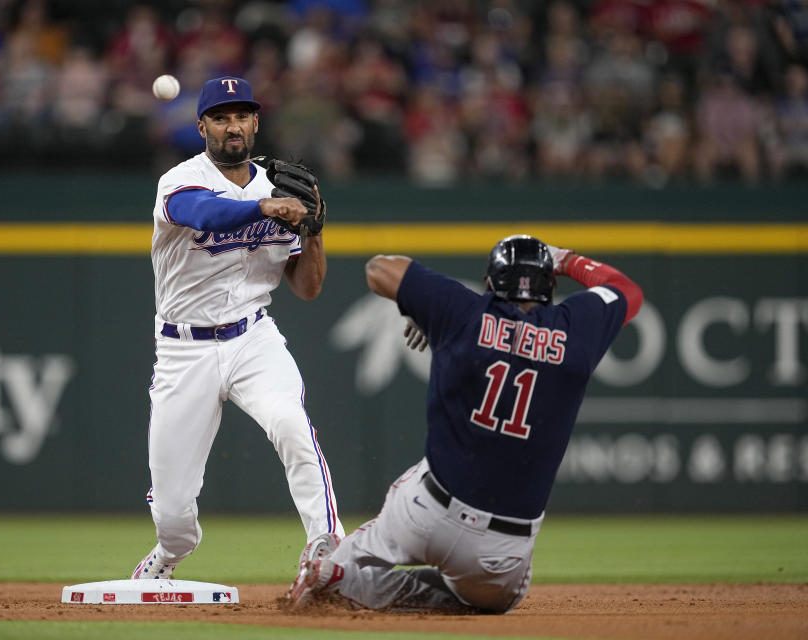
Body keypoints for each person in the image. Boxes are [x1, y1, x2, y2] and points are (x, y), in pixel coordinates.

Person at [289, 235, 643, 612]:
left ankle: (337, 568)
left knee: (411, 488)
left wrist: (416, 308)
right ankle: (356, 584)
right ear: (550, 286)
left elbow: (379, 268)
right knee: (490, 602)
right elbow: (626, 290)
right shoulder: (578, 328)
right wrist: (566, 259)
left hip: (423, 514)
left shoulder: (461, 311)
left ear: (490, 282)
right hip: (500, 553)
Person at [131, 76, 344, 582]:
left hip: (253, 336)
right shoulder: (180, 180)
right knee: (174, 516)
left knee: (291, 423)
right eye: (221, 117)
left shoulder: (283, 187)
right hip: (185, 349)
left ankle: (329, 547)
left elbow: (308, 288)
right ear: (202, 125)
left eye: (242, 115)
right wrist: (262, 208)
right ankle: (169, 553)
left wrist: (313, 233)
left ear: (255, 122)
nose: (233, 126)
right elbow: (203, 212)